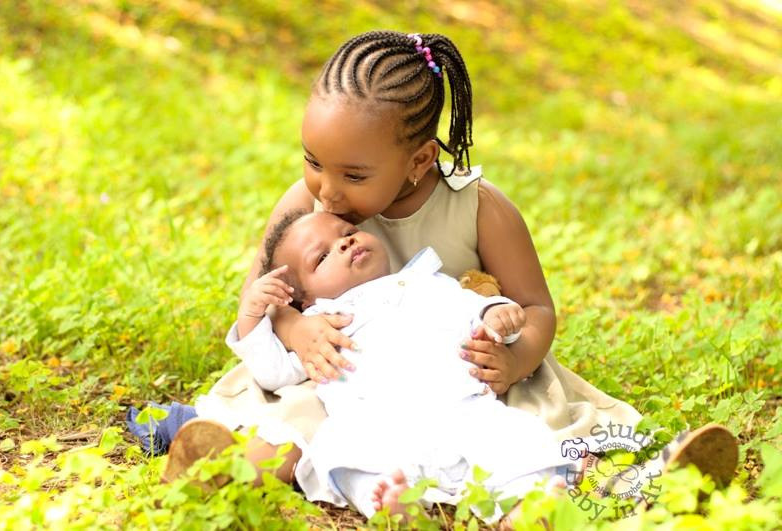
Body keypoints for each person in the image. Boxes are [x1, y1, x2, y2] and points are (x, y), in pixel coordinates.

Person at [161, 29, 737, 492]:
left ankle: (650, 479)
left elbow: (536, 306)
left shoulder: (479, 208)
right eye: (314, 161)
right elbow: (260, 293)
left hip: (462, 377)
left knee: (535, 430)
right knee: (307, 416)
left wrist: (514, 364)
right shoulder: (306, 204)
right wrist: (297, 325)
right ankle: (228, 472)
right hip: (352, 376)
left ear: (418, 160)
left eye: (353, 175)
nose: (327, 192)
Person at [200, 209, 575, 522]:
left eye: (347, 231)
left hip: (461, 406)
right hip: (373, 420)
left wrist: (498, 316)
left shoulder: (426, 283)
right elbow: (272, 371)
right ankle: (392, 503)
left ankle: (527, 503)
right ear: (303, 298)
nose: (344, 242)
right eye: (322, 256)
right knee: (340, 449)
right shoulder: (320, 322)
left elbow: (473, 311)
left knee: (518, 438)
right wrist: (252, 314)